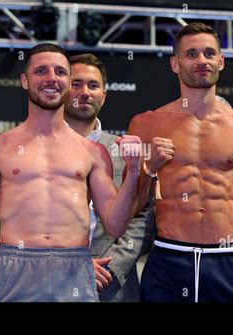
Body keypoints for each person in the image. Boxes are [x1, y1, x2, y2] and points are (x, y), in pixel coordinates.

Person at [0, 43, 142, 302]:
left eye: (60, 72)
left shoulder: (93, 152)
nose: (51, 78)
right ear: (24, 80)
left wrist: (133, 173)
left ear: (68, 80)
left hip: (74, 269)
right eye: (41, 71)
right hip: (14, 267)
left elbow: (116, 225)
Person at [128, 22, 233, 302]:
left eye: (209, 53)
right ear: (175, 64)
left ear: (221, 61)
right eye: (191, 54)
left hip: (231, 259)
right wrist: (148, 171)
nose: (202, 61)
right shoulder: (146, 124)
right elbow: (133, 205)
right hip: (169, 260)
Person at [64, 53, 155, 302]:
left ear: (104, 96)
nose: (85, 92)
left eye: (93, 86)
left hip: (113, 285)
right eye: (76, 84)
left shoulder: (125, 151)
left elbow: (144, 217)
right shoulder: (39, 149)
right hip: (52, 281)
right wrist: (71, 263)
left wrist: (112, 267)